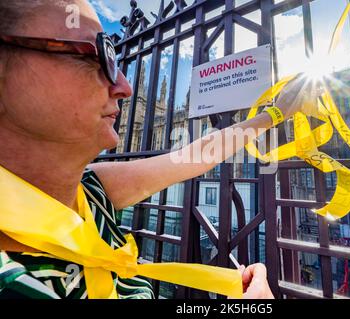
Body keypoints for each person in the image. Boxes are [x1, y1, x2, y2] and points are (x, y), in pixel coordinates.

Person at [0, 0, 305, 299]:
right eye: (91, 56)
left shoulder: (91, 191)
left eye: (114, 59)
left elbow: (192, 157)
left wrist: (274, 115)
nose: (123, 86)